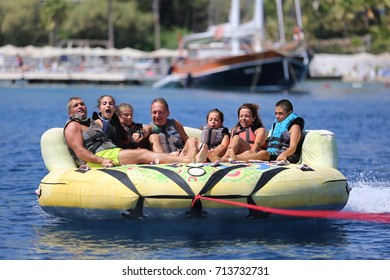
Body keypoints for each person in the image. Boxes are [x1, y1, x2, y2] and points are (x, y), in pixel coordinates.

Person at [63, 97, 207, 168]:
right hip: (100, 157)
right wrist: (101, 161)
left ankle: (185, 158)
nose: (80, 106)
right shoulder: (73, 126)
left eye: (82, 104)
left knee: (142, 153)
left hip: (111, 152)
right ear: (70, 112)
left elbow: (145, 127)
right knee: (142, 154)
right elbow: (80, 151)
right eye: (76, 105)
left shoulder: (89, 123)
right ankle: (188, 160)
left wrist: (141, 132)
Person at [228, 99, 305, 163]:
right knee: (249, 152)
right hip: (272, 154)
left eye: (280, 113)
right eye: (276, 113)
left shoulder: (294, 126)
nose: (277, 116)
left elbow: (293, 147)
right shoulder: (277, 124)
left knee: (263, 153)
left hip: (286, 156)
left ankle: (237, 159)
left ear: (289, 113)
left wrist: (283, 155)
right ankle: (233, 158)